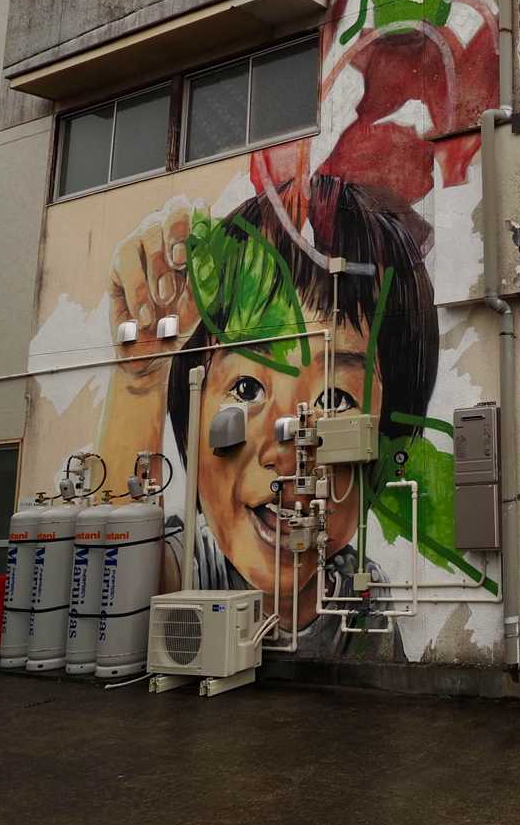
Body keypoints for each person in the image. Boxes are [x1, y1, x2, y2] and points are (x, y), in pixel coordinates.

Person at [96, 175, 437, 656]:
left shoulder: (361, 596)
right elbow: (110, 578)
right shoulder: (189, 563)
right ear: (191, 411)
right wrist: (140, 384)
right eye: (246, 388)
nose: (287, 453)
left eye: (334, 398)